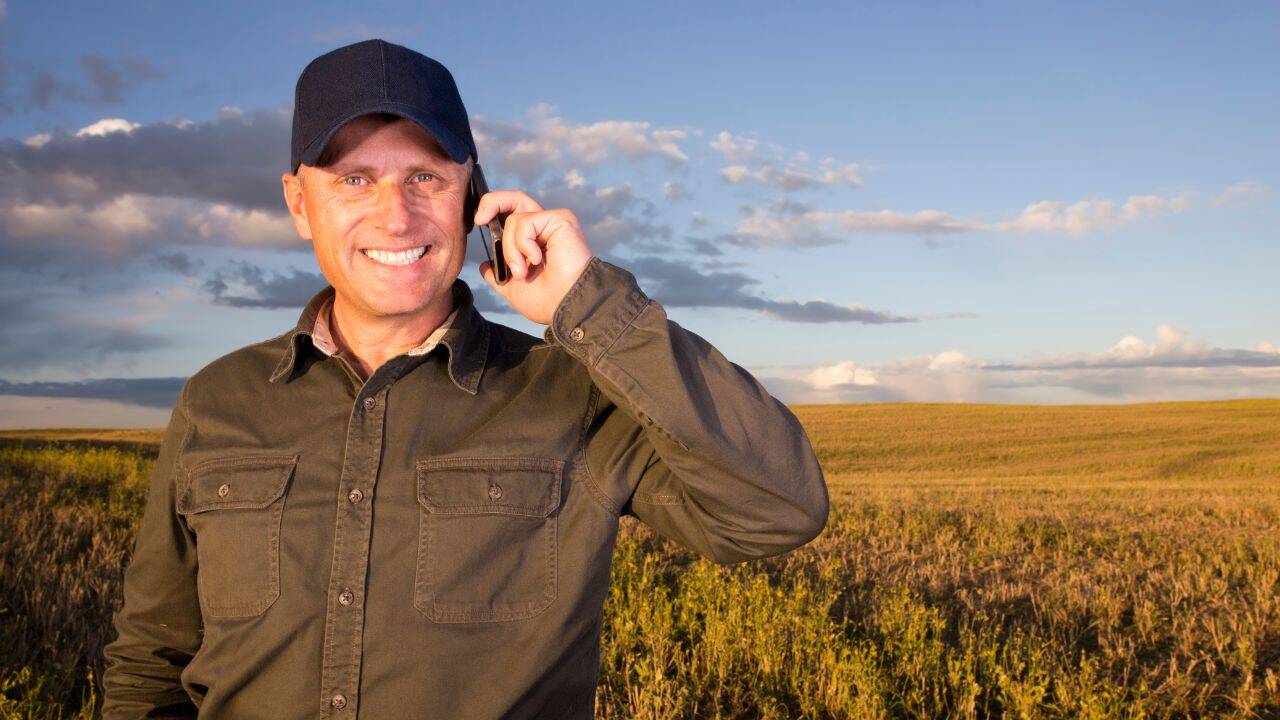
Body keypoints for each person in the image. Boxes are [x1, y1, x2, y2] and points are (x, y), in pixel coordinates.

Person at [100, 38, 828, 719]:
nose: (396, 217)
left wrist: (587, 305)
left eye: (425, 177)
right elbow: (150, 661)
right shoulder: (217, 399)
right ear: (298, 203)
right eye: (355, 180)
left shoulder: (569, 393)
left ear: (473, 197)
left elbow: (777, 510)